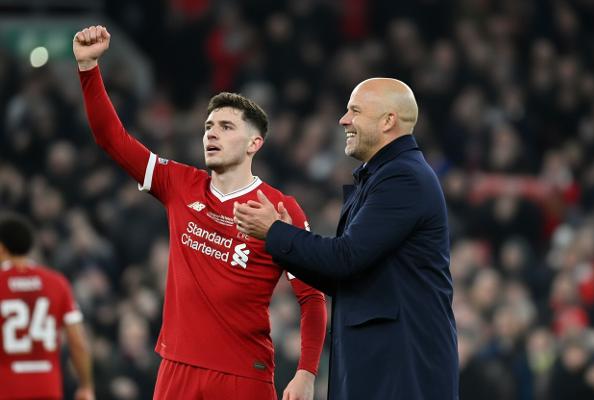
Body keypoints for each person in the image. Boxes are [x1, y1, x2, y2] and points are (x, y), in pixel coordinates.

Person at [73, 25, 327, 400]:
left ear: (254, 143)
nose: (211, 134)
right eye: (208, 127)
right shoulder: (179, 183)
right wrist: (88, 69)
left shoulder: (280, 208)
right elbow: (111, 138)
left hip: (244, 374)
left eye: (226, 127)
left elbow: (311, 297)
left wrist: (306, 372)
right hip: (177, 367)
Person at [234, 78, 459, 399]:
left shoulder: (403, 177)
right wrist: (283, 239)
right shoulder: (383, 176)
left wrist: (275, 231)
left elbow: (345, 258)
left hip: (401, 371)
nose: (343, 120)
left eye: (355, 111)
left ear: (388, 121)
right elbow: (344, 274)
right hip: (382, 369)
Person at [0, 212, 94, 400]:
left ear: (2, 248)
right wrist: (86, 386)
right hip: (47, 387)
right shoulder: (57, 283)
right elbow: (77, 342)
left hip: (7, 388)